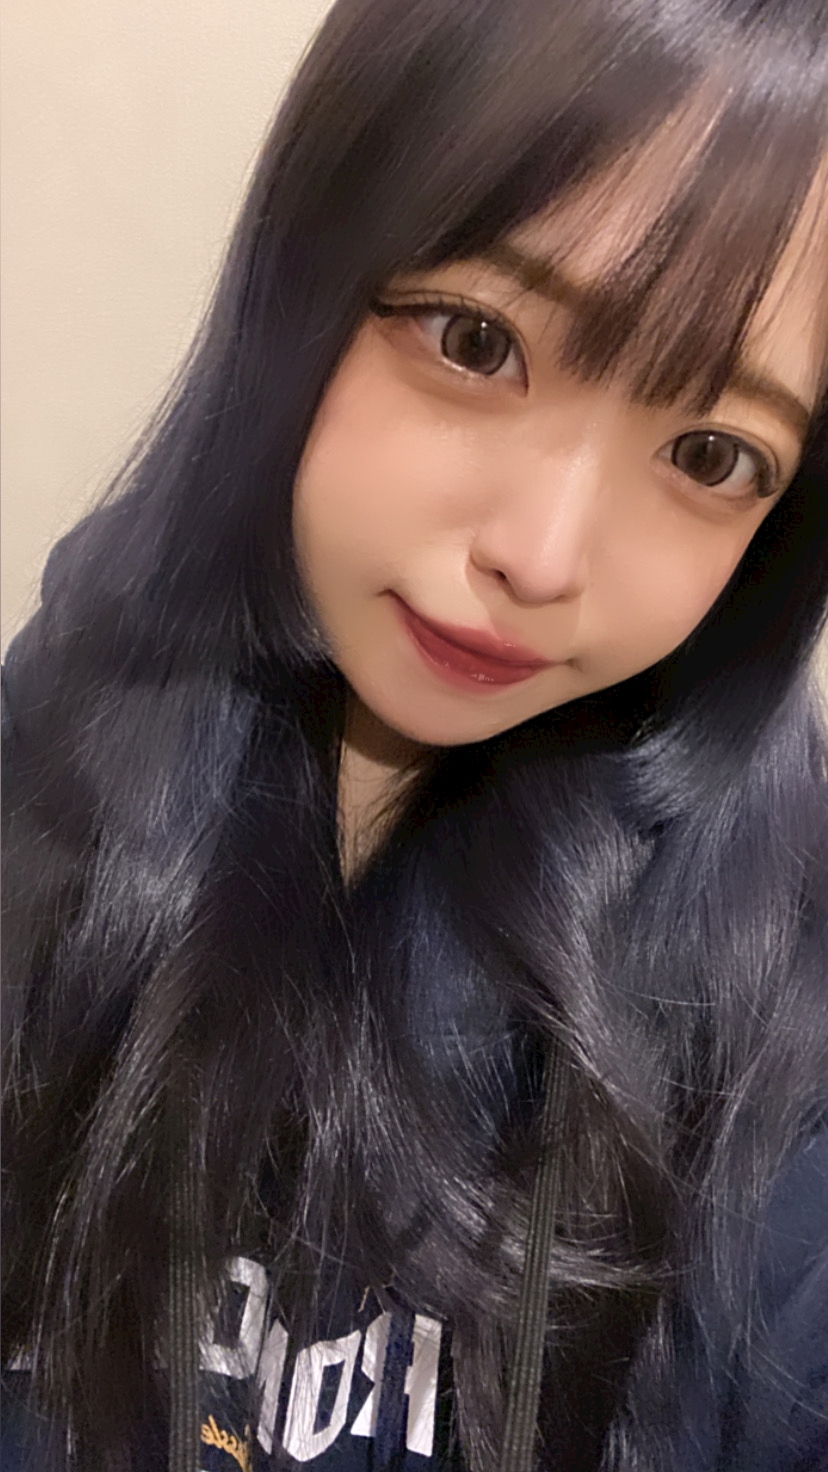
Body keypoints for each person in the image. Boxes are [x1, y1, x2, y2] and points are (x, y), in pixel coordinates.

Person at [3, 0, 828, 1468]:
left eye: (711, 455)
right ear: (308, 283)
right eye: (476, 340)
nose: (543, 555)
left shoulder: (778, 1014)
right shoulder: (48, 764)